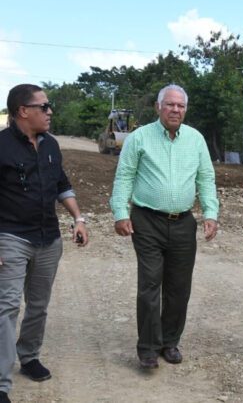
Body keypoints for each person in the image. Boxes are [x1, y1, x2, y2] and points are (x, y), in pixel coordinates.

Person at [110, 84, 218, 370]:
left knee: (179, 287)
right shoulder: (139, 138)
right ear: (159, 107)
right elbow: (124, 177)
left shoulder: (195, 139)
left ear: (185, 109)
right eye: (170, 104)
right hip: (146, 221)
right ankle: (147, 348)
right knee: (149, 285)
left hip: (183, 222)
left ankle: (170, 341)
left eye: (180, 106)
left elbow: (206, 178)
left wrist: (211, 213)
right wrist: (121, 212)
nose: (175, 110)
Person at [0, 84, 89, 403]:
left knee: (38, 305)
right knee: (7, 307)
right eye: (45, 106)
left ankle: (29, 356)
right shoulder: (1, 146)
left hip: (48, 237)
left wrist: (78, 219)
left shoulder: (51, 144)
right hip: (11, 237)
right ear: (23, 111)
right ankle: (1, 382)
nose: (50, 111)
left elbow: (61, 184)